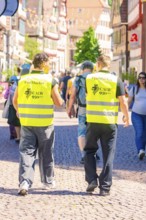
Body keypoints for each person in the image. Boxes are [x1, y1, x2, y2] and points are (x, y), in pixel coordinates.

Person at [13, 52, 64, 196]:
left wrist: (19, 111)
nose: (49, 66)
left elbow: (15, 100)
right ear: (43, 64)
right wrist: (64, 102)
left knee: (27, 153)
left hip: (27, 122)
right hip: (45, 123)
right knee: (46, 152)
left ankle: (24, 182)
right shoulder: (50, 80)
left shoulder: (23, 80)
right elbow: (58, 102)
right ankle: (47, 181)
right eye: (48, 63)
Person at [84, 56, 129, 196]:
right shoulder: (116, 80)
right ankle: (105, 188)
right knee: (108, 154)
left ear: (97, 64)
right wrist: (127, 117)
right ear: (109, 65)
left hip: (92, 121)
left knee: (89, 151)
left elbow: (87, 95)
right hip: (109, 122)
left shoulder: (89, 78)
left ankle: (92, 179)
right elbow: (123, 101)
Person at [67, 61, 100, 164]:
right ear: (92, 68)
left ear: (82, 68)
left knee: (82, 131)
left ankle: (84, 154)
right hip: (95, 108)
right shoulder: (96, 78)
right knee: (94, 131)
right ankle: (93, 152)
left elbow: (72, 95)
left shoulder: (78, 78)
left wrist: (69, 108)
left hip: (83, 108)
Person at [128, 72, 146, 160]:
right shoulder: (134, 89)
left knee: (144, 134)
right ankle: (141, 150)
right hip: (136, 115)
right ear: (138, 79)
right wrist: (125, 113)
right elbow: (129, 101)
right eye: (140, 78)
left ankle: (142, 150)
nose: (142, 80)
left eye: (144, 78)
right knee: (139, 132)